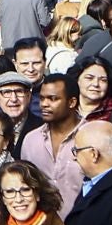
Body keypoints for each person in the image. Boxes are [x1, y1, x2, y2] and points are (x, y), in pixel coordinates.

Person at [20, 75, 85, 216]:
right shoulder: (31, 140)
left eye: (53, 99)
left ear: (72, 102)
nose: (44, 104)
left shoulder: (91, 137)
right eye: (42, 98)